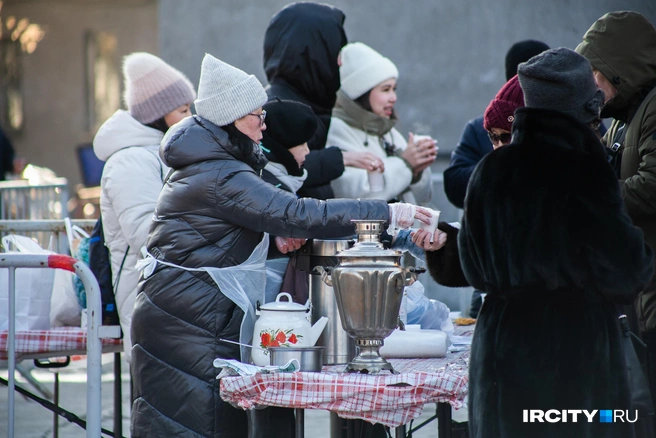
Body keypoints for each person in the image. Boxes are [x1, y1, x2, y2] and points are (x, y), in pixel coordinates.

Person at [129, 53, 430, 438]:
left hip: (188, 315)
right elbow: (298, 213)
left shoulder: (215, 163)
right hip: (185, 322)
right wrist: (388, 213)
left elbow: (214, 237)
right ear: (233, 118)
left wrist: (269, 239)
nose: (264, 124)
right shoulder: (220, 172)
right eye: (258, 114)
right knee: (198, 427)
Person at [415, 48, 654, 438]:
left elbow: (473, 266)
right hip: (573, 355)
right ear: (584, 107)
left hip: (501, 355)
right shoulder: (585, 171)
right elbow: (626, 271)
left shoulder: (492, 169)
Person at [576, 11, 656, 434]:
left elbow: (650, 186)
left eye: (595, 75)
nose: (591, 88)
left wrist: (587, 197)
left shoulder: (652, 108)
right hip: (639, 292)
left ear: (618, 69)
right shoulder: (624, 117)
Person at [93, 52, 196, 362]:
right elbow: (149, 237)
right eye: (182, 110)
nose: (191, 117)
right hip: (148, 299)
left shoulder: (165, 152)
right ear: (157, 114)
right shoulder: (130, 161)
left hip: (170, 298)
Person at [263, 2, 380, 200]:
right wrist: (340, 158)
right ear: (314, 54)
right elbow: (271, 167)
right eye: (336, 51)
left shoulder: (311, 100)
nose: (340, 63)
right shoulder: (277, 106)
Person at [443, 39, 549, 209]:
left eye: (508, 136)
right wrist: (496, 169)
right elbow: (454, 184)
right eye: (493, 137)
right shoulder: (481, 127)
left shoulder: (573, 128)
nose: (499, 145)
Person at [327, 42, 436, 204]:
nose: (394, 98)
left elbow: (423, 199)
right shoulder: (337, 129)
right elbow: (356, 196)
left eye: (394, 89)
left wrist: (417, 171)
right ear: (361, 92)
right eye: (386, 90)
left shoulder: (387, 131)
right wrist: (405, 164)